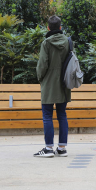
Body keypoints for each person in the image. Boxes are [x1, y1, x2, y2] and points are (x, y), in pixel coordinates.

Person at [34, 15, 71, 158]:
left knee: (47, 116)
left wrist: (40, 78)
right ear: (60, 28)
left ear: (48, 28)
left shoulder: (46, 43)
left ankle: (48, 148)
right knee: (62, 115)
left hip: (49, 83)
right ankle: (62, 148)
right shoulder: (67, 42)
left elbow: (42, 65)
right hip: (64, 83)